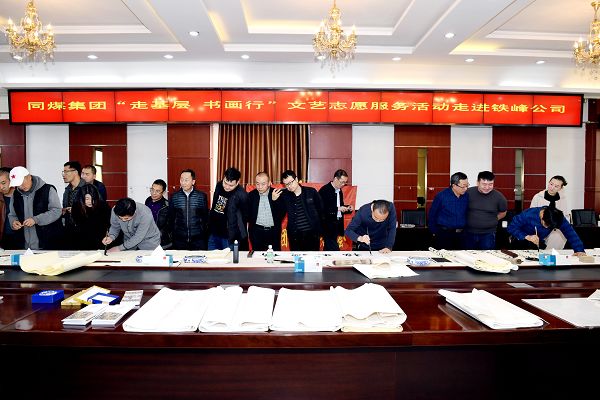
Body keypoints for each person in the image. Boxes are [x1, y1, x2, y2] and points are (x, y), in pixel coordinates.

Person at [8, 166, 63, 250]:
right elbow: (12, 214)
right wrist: (13, 222)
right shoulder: (15, 194)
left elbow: (56, 211)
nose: (21, 186)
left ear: (29, 177)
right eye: (18, 185)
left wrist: (36, 219)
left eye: (22, 183)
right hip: (24, 246)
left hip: (47, 243)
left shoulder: (48, 189)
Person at [507, 206, 586, 256]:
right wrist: (527, 237)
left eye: (550, 227)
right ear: (542, 216)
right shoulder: (528, 214)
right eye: (546, 225)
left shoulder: (557, 218)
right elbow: (511, 227)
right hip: (520, 240)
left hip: (538, 242)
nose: (547, 227)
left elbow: (571, 233)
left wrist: (579, 250)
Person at [278, 170, 324, 251]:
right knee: (296, 258)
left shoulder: (311, 192)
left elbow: (321, 210)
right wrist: (275, 200)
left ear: (296, 179)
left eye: (290, 182)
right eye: (286, 184)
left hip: (312, 234)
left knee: (312, 257)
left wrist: (320, 230)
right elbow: (279, 214)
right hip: (295, 236)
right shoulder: (284, 196)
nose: (289, 186)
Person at [208, 167, 249, 250]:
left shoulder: (242, 195)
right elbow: (214, 205)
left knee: (228, 258)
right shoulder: (219, 185)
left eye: (231, 185)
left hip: (229, 237)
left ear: (237, 182)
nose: (226, 187)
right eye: (225, 183)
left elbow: (245, 216)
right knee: (211, 257)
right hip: (214, 232)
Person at [465, 171, 507, 250]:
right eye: (484, 184)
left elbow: (503, 213)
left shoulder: (499, 197)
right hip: (468, 233)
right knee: (468, 255)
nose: (487, 187)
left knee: (487, 255)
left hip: (488, 234)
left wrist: (492, 220)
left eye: (490, 184)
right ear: (478, 183)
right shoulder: (468, 193)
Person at [428, 172, 469, 250]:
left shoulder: (466, 196)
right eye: (463, 186)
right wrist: (434, 231)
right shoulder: (441, 196)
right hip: (444, 235)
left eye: (467, 185)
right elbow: (432, 214)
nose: (466, 189)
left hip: (462, 235)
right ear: (454, 185)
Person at [169, 169, 208, 250]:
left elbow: (205, 217)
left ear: (193, 182)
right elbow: (172, 217)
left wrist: (203, 232)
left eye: (186, 180)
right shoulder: (174, 196)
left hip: (198, 239)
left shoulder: (201, 196)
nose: (183, 183)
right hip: (179, 239)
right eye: (181, 180)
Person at [530, 175, 570, 249]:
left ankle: (550, 254)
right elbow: (531, 215)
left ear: (561, 188)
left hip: (555, 229)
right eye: (551, 184)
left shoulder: (562, 199)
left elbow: (565, 216)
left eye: (556, 186)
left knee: (559, 236)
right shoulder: (538, 197)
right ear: (548, 183)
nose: (552, 187)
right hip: (540, 227)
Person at [247, 172, 284, 251]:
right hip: (256, 232)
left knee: (274, 256)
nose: (260, 187)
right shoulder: (251, 195)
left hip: (273, 232)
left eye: (263, 184)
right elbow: (247, 215)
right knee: (257, 256)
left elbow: (281, 215)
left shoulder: (276, 193)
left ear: (269, 183)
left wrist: (275, 201)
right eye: (257, 184)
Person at [319, 169, 353, 251]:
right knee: (334, 249)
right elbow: (321, 209)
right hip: (327, 225)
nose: (343, 184)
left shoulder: (339, 191)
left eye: (345, 182)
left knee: (328, 249)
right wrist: (338, 209)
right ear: (335, 179)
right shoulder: (324, 190)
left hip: (336, 224)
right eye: (342, 182)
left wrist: (347, 208)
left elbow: (339, 206)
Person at [71, 184, 111, 250]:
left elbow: (109, 225)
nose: (90, 201)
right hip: (82, 241)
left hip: (100, 241)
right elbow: (78, 227)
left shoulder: (103, 206)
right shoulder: (77, 207)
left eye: (93, 198)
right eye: (87, 199)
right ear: (81, 198)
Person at [0, 167, 24, 249]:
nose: (1, 187)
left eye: (3, 183)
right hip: (4, 239)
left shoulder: (24, 196)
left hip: (24, 238)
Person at [145, 178, 171, 249]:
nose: (154, 193)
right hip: (147, 239)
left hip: (162, 241)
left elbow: (170, 226)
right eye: (152, 190)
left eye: (157, 191)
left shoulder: (167, 206)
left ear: (163, 192)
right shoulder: (148, 200)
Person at [62, 161, 85, 241]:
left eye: (66, 172)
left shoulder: (88, 188)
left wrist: (77, 210)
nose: (64, 175)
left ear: (75, 172)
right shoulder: (67, 190)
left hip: (85, 231)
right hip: (69, 231)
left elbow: (97, 209)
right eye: (63, 172)